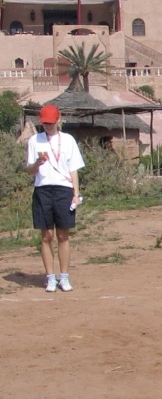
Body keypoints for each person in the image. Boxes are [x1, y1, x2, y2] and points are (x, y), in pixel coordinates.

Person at [25, 104, 84, 292]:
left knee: (63, 235)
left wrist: (76, 194)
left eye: (51, 123)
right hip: (43, 190)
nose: (48, 126)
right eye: (44, 123)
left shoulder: (68, 140)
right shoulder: (35, 140)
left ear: (58, 120)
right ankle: (50, 277)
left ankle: (64, 277)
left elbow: (73, 169)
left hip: (63, 190)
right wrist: (37, 162)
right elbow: (29, 171)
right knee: (46, 236)